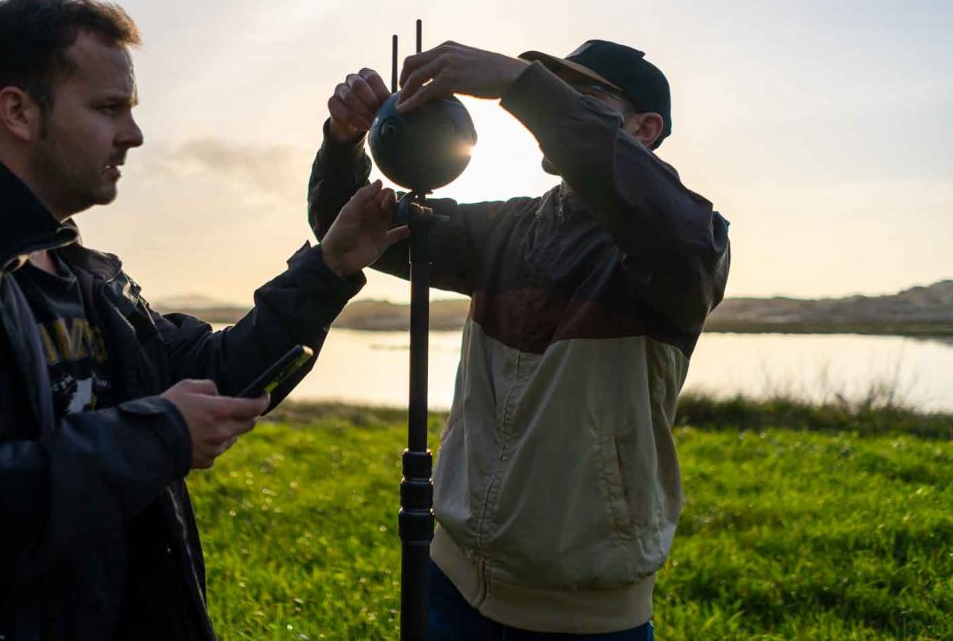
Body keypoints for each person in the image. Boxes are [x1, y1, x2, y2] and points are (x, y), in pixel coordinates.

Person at [0, 0, 408, 640]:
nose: (135, 135)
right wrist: (158, 435)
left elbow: (215, 375)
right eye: (110, 108)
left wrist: (330, 267)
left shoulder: (90, 278)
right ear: (18, 111)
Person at [308, 39, 731, 639]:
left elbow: (668, 225)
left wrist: (520, 85)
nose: (551, 106)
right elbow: (344, 226)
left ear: (645, 127)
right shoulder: (504, 230)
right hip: (448, 583)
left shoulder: (686, 242)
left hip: (587, 619)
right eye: (549, 89)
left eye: (578, 95)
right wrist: (344, 139)